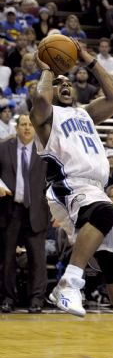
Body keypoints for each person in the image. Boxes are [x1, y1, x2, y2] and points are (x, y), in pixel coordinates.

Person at [30, 42, 113, 358]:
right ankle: (68, 282)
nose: (64, 86)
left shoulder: (86, 115)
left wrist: (88, 60)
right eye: (58, 84)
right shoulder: (46, 118)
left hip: (95, 189)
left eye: (68, 82)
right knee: (106, 210)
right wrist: (49, 68)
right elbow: (39, 98)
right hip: (68, 187)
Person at [0, 114, 48, 313]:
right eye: (23, 124)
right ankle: (8, 298)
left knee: (38, 258)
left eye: (30, 124)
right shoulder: (3, 147)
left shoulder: (45, 151)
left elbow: (55, 181)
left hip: (36, 210)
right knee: (7, 257)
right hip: (9, 209)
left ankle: (36, 299)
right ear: (16, 127)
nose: (27, 128)